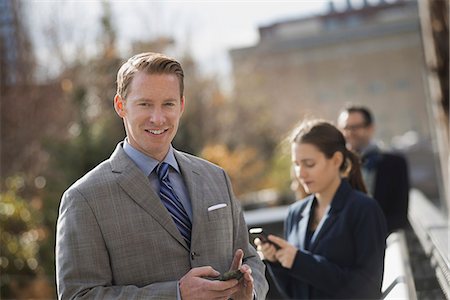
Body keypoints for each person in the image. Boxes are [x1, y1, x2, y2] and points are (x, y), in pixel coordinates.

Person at [55, 52, 268, 299]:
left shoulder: (215, 177)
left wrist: (249, 293)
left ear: (181, 106)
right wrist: (175, 294)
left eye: (168, 104)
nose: (158, 118)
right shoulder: (84, 198)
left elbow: (251, 259)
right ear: (120, 106)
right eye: (145, 104)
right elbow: (77, 295)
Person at [255, 120, 387, 299]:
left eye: (309, 164)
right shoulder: (296, 213)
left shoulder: (364, 209)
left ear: (336, 160)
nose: (301, 173)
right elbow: (295, 293)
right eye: (297, 164)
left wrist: (299, 261)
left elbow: (367, 289)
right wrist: (276, 262)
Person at [337, 105, 410, 233]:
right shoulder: (335, 165)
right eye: (345, 128)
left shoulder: (395, 163)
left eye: (354, 127)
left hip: (383, 240)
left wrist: (368, 234)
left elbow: (400, 215)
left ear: (370, 128)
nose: (348, 133)